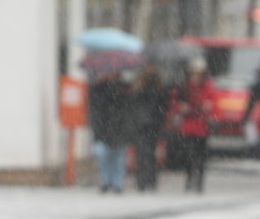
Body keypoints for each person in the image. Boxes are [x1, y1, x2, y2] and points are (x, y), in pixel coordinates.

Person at [175, 56, 216, 192]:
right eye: (194, 73)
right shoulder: (185, 86)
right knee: (189, 155)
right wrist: (182, 107)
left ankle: (199, 182)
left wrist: (206, 107)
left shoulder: (207, 86)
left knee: (200, 156)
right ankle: (189, 179)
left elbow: (211, 103)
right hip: (189, 126)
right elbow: (177, 102)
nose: (195, 76)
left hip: (201, 127)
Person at [87, 71, 131, 194]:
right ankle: (106, 181)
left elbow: (125, 108)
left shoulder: (122, 89)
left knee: (118, 157)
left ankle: (117, 183)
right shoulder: (97, 89)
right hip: (103, 128)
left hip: (117, 128)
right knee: (102, 155)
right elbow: (95, 107)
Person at [130, 63, 167, 191]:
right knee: (146, 153)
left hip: (148, 124)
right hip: (146, 123)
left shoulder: (154, 88)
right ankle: (146, 180)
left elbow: (162, 106)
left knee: (146, 153)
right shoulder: (149, 87)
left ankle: (146, 180)